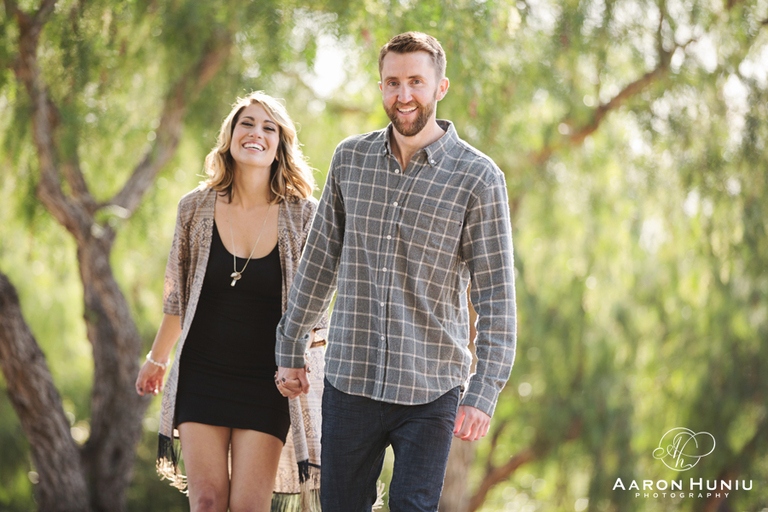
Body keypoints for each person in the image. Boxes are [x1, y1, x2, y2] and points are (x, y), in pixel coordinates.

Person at [275, 32, 517, 511]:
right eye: (392, 82)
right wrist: (290, 345)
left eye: (415, 82)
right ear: (381, 86)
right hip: (350, 381)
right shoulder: (351, 159)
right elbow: (319, 262)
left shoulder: (478, 177)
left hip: (431, 387)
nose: (403, 95)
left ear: (439, 87)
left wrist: (484, 389)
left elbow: (496, 296)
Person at [135, 91, 326, 512]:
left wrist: (306, 358)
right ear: (230, 137)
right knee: (206, 501)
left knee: (247, 506)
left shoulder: (303, 215)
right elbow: (177, 297)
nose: (256, 133)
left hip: (268, 381)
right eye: (247, 124)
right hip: (203, 374)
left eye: (268, 127)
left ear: (280, 145)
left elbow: (318, 300)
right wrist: (157, 358)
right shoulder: (195, 208)